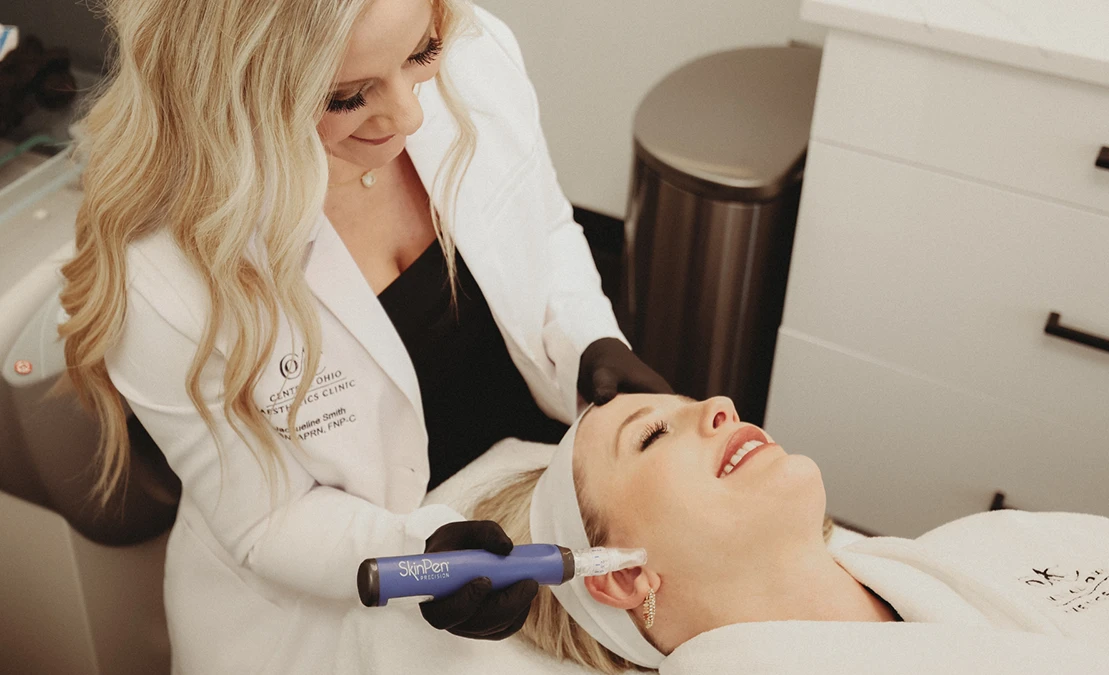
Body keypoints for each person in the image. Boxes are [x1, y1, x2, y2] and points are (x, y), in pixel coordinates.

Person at [56, 0, 669, 672]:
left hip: (520, 481)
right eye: (347, 97)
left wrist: (587, 340)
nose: (409, 115)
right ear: (234, 88)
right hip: (319, 612)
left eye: (422, 53)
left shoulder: (476, 53)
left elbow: (542, 225)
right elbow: (269, 520)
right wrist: (418, 552)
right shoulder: (161, 269)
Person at [474, 394, 1109, 674]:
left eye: (693, 400)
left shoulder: (999, 543)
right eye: (653, 434)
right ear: (623, 573)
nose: (720, 405)